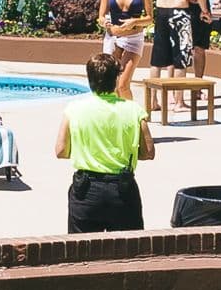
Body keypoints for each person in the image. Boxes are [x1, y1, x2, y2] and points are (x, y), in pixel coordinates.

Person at [54, 55, 149, 232]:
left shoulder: (74, 109)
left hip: (86, 189)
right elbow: (148, 152)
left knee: (81, 252)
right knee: (128, 251)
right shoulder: (133, 109)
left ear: (90, 80)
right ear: (116, 79)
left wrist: (86, 150)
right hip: (122, 189)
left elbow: (60, 150)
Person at [96, 0, 150, 99]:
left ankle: (133, 117)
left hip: (133, 38)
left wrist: (135, 21)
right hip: (112, 38)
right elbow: (100, 17)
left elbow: (150, 18)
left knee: (123, 84)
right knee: (111, 85)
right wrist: (104, 22)